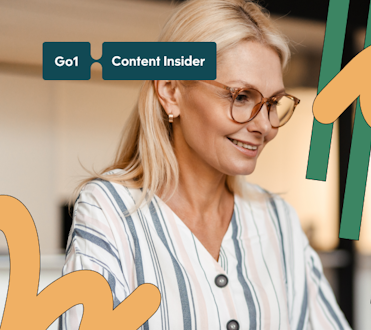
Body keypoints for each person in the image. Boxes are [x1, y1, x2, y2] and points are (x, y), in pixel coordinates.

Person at [59, 0, 351, 329]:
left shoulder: (278, 221)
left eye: (272, 103)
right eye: (241, 97)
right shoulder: (109, 211)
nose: (266, 126)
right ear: (170, 91)